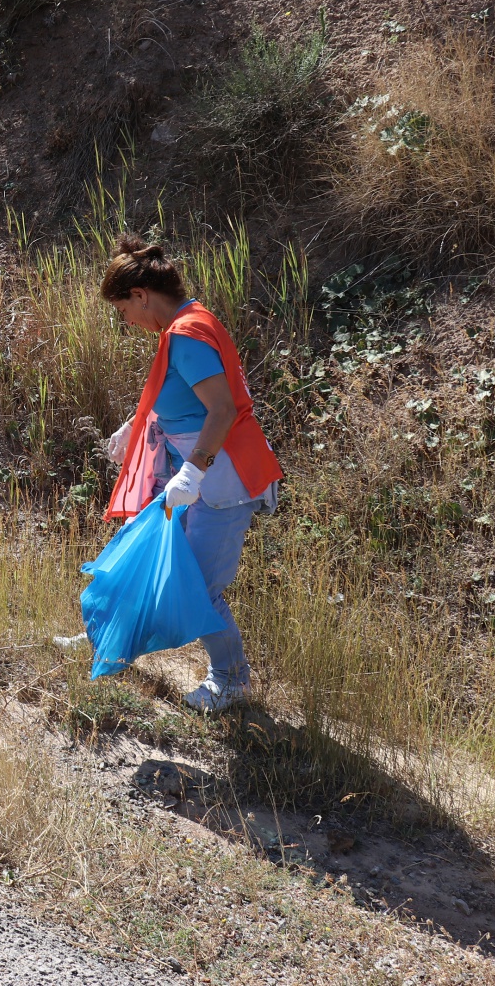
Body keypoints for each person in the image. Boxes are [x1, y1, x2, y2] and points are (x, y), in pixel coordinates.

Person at [100, 233, 283, 713]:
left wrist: (192, 475)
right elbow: (184, 397)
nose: (127, 322)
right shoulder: (187, 323)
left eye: (124, 311)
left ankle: (233, 681)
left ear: (141, 295)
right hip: (200, 470)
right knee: (150, 559)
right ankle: (113, 641)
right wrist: (133, 426)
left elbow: (222, 409)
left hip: (222, 479)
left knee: (198, 586)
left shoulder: (184, 333)